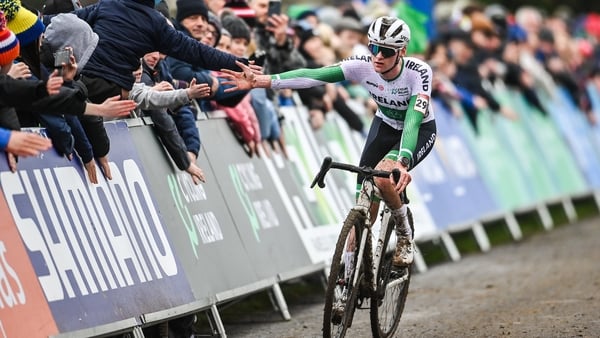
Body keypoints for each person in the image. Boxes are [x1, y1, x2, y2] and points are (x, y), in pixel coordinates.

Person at [221, 16, 437, 267]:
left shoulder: (418, 72)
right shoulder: (362, 65)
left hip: (418, 130)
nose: (377, 56)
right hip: (385, 125)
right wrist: (263, 80)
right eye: (373, 47)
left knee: (383, 176)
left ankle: (404, 234)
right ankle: (346, 276)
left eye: (386, 51)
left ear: (402, 51)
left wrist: (402, 160)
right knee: (364, 205)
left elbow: (413, 119)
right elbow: (314, 75)